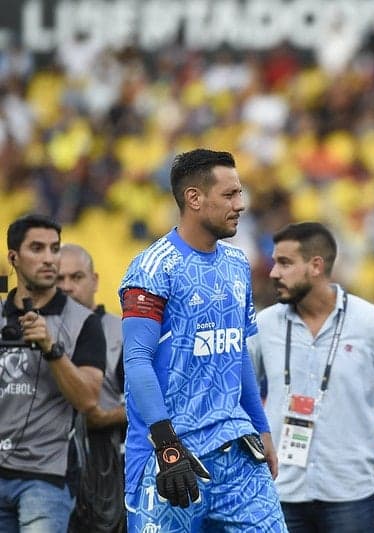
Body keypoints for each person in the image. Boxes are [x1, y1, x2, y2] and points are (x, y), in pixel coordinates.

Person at [118, 149, 286, 532]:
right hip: (173, 457)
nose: (240, 205)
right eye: (230, 195)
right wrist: (167, 444)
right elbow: (137, 361)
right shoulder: (152, 268)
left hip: (237, 447)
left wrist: (262, 430)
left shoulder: (237, 263)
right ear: (194, 198)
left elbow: (236, 350)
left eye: (240, 193)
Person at [247, 221, 374, 533]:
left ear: (315, 266)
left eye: (284, 263)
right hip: (280, 490)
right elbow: (239, 391)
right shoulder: (264, 325)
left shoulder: (370, 323)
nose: (273, 273)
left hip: (350, 492)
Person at [0, 214, 106, 532]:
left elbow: (88, 400)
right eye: (37, 248)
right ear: (13, 258)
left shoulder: (85, 322)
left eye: (54, 249)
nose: (49, 259)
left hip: (46, 479)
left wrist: (51, 348)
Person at [57, 243, 126, 532]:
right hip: (47, 463)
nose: (68, 287)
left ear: (95, 280)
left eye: (76, 277)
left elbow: (154, 404)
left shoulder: (122, 333)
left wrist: (103, 417)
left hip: (105, 463)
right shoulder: (34, 330)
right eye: (59, 279)